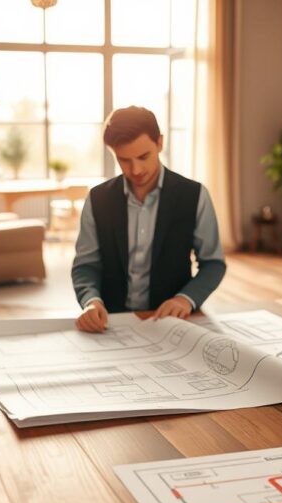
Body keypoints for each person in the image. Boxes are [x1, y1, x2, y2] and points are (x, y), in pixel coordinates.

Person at [71, 106, 226, 333]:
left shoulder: (194, 195)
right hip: (111, 324)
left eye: (144, 156)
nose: (136, 169)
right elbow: (86, 265)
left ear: (160, 143)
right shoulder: (97, 198)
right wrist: (91, 301)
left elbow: (213, 263)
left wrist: (185, 299)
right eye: (124, 160)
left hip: (172, 322)